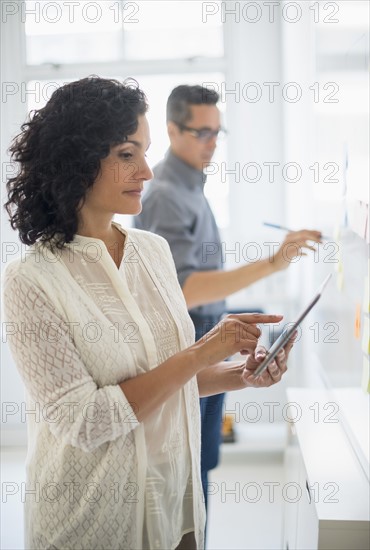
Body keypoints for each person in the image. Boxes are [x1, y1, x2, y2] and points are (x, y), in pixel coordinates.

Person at [3, 76, 295, 550]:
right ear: (77, 162)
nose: (147, 171)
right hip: (92, 524)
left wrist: (240, 374)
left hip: (175, 508)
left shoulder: (153, 251)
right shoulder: (31, 280)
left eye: (145, 151)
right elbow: (88, 421)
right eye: (126, 154)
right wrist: (203, 351)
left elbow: (167, 383)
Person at [134, 84, 322, 512]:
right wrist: (274, 263)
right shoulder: (165, 194)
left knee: (201, 460)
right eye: (201, 132)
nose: (212, 142)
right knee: (189, 465)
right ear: (172, 130)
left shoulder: (190, 187)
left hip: (204, 328)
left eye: (218, 132)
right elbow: (185, 288)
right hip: (188, 335)